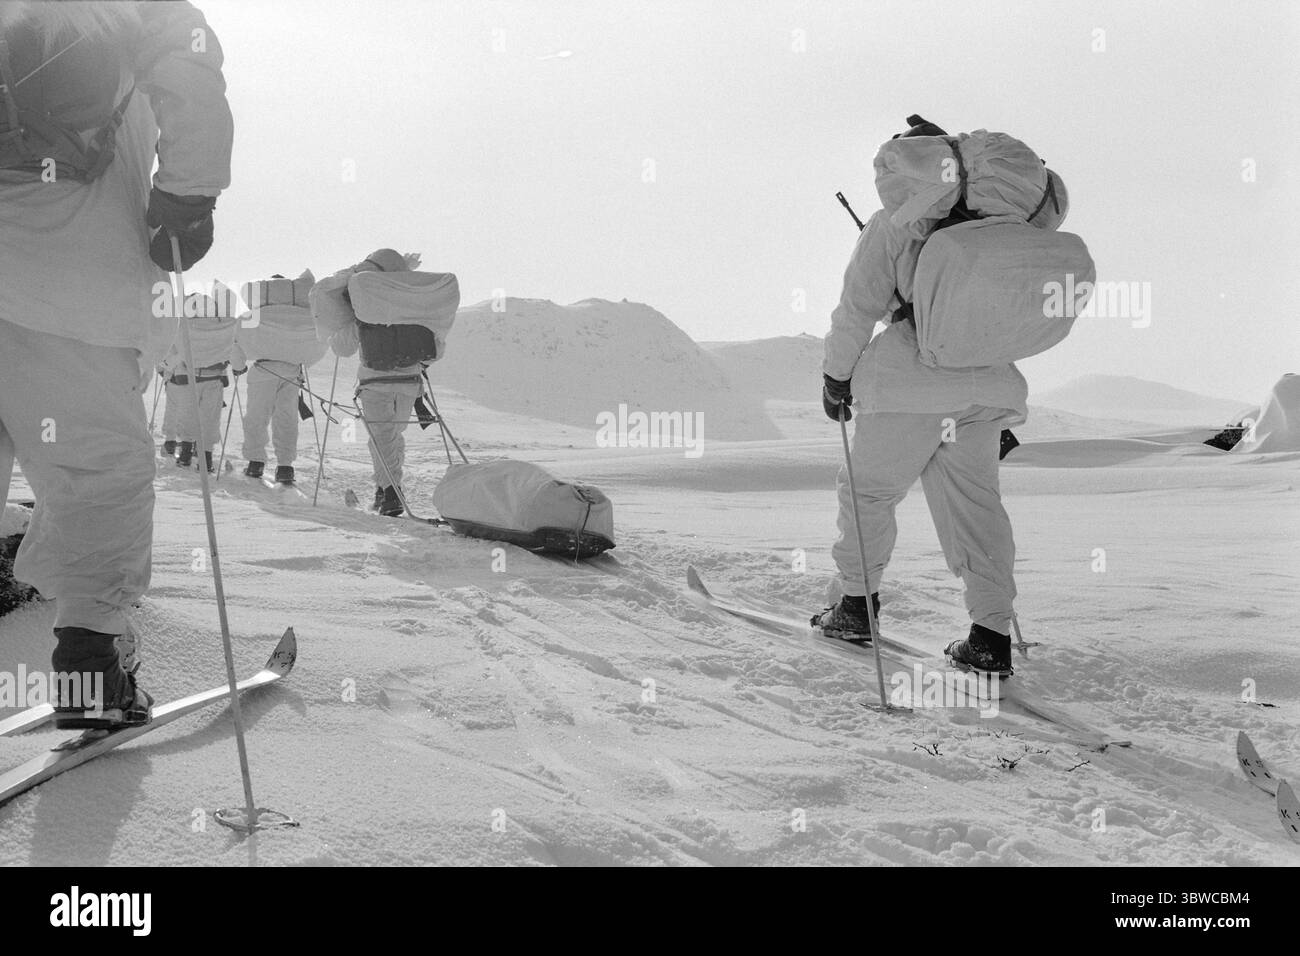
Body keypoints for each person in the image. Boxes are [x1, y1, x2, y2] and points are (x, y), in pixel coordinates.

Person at [0, 1, 233, 728]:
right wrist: (189, 198)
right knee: (97, 470)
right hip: (64, 266)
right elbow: (188, 62)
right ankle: (90, 673)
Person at [814, 116, 1069, 676]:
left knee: (868, 494)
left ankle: (856, 606)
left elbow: (857, 309)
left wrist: (837, 378)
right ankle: (989, 636)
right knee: (977, 511)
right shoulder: (1011, 227)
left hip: (909, 387)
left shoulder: (892, 225)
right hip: (985, 391)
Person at [311, 249, 425, 517]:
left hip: (375, 382)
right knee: (391, 437)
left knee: (382, 436)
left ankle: (391, 492)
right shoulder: (413, 308)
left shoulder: (364, 311)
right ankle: (384, 488)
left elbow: (342, 349)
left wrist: (336, 326)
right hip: (409, 381)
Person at [238, 271, 323, 484]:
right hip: (292, 373)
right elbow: (319, 342)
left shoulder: (255, 315)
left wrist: (238, 368)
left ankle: (255, 463)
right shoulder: (306, 316)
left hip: (263, 373)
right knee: (286, 419)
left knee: (257, 417)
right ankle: (285, 466)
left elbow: (236, 342)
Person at [172, 288, 245, 472]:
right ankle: (206, 457)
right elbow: (233, 346)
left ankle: (186, 453)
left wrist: (164, 367)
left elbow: (173, 349)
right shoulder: (222, 325)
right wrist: (238, 367)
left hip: (188, 379)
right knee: (210, 419)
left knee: (187, 415)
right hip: (214, 379)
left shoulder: (182, 324)